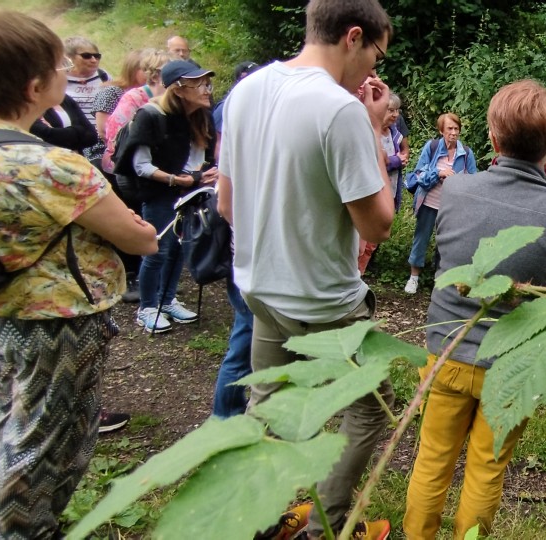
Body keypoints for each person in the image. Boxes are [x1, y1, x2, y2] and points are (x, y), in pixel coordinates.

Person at [0, 9, 157, 537]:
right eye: (59, 66)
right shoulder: (49, 166)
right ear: (35, 86)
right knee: (43, 441)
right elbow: (137, 237)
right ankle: (26, 530)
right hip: (56, 325)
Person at [216, 0, 395, 537]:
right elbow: (377, 226)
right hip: (324, 301)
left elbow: (226, 205)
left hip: (259, 289)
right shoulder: (339, 111)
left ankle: (263, 521)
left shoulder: (246, 90)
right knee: (373, 407)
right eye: (376, 55)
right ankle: (326, 525)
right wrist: (374, 130)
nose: (374, 71)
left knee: (269, 405)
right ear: (353, 36)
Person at [404, 79, 546, 540]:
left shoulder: (458, 191)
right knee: (486, 470)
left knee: (432, 460)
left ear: (492, 138)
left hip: (446, 351)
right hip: (512, 369)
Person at [128, 60, 217, 333]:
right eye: (198, 83)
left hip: (189, 191)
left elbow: (199, 158)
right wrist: (174, 179)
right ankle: (147, 307)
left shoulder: (201, 114)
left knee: (179, 247)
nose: (206, 89)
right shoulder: (151, 116)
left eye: (207, 82)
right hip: (159, 194)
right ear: (178, 89)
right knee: (157, 250)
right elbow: (140, 166)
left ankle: (167, 301)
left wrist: (200, 176)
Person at [210, 59, 261, 419]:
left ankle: (235, 412)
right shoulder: (242, 155)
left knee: (247, 339)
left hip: (245, 259)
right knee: (243, 343)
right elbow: (226, 206)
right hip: (247, 261)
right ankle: (225, 417)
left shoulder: (242, 151)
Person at [404, 112, 477, 294]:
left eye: (456, 129)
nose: (453, 132)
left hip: (452, 207)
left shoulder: (466, 153)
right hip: (429, 202)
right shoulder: (432, 147)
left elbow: (473, 181)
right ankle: (414, 278)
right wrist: (439, 174)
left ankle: (441, 279)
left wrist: (458, 181)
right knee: (421, 238)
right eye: (449, 129)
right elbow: (419, 174)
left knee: (446, 243)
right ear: (441, 130)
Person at [356, 92, 408, 273]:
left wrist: (399, 159)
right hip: (371, 194)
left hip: (390, 191)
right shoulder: (369, 133)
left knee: (372, 244)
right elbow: (374, 162)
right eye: (391, 110)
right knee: (360, 243)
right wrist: (396, 161)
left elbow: (401, 154)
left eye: (397, 110)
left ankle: (359, 276)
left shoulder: (395, 134)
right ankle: (354, 277)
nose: (395, 115)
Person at [88, 48, 151, 171]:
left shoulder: (151, 93)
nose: (151, 75)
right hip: (106, 152)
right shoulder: (112, 92)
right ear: (132, 70)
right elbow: (103, 132)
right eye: (145, 70)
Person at [63, 37, 109, 136]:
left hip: (103, 139)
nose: (93, 60)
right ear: (69, 57)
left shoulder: (104, 76)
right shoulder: (59, 79)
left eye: (97, 56)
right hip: (74, 138)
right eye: (86, 56)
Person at [30, 93, 97, 152]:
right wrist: (80, 131)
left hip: (75, 159)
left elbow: (92, 136)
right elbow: (46, 134)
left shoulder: (64, 98)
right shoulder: (29, 101)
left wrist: (60, 134)